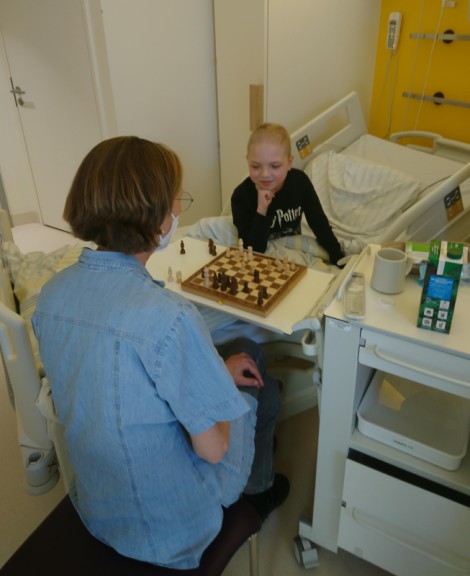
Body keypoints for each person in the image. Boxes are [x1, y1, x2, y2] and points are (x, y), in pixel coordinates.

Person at [31, 137, 289, 570]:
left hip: (97, 508)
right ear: (155, 218)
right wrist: (218, 381)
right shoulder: (169, 318)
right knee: (255, 367)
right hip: (174, 533)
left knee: (233, 357)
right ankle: (258, 493)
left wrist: (210, 372)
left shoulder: (51, 295)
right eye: (176, 201)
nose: (179, 210)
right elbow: (212, 450)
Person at [231, 122, 345, 266]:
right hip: (264, 258)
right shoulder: (241, 197)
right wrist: (262, 210)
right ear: (247, 161)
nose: (265, 174)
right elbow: (253, 251)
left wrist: (338, 257)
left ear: (289, 163)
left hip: (293, 255)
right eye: (255, 166)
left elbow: (319, 223)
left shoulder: (300, 182)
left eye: (275, 166)